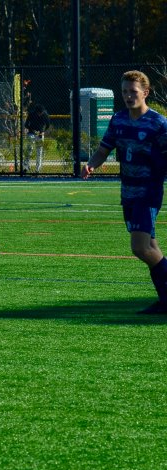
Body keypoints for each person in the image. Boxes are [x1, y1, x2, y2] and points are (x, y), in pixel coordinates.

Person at [82, 70, 167, 314]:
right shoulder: (118, 120)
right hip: (127, 192)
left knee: (139, 248)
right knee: (150, 246)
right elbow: (103, 149)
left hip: (148, 192)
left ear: (146, 93)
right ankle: (165, 300)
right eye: (125, 92)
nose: (128, 96)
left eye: (133, 91)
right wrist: (91, 165)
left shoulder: (158, 124)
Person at [24, 103, 50, 173]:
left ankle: (37, 169)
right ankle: (25, 167)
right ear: (36, 111)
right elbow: (26, 124)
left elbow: (48, 125)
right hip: (31, 133)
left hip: (40, 135)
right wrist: (32, 130)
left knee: (39, 152)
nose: (40, 114)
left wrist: (43, 131)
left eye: (41, 112)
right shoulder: (31, 114)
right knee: (29, 149)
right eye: (38, 112)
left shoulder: (45, 115)